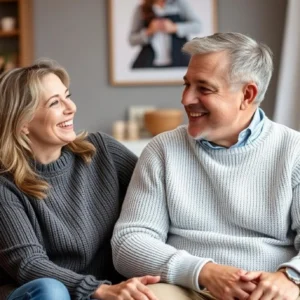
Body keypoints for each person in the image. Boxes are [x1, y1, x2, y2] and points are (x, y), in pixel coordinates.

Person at [112, 32, 300, 300]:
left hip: (270, 288)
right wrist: (205, 272)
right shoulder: (163, 149)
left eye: (204, 88)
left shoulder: (294, 151)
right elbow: (128, 243)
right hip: (187, 286)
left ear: (247, 95)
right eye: (187, 84)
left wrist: (290, 277)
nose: (186, 98)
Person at [0, 60, 160, 300]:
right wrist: (99, 290)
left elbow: (158, 199)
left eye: (67, 96)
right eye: (55, 103)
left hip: (107, 288)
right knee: (52, 291)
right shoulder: (5, 184)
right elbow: (28, 264)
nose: (71, 107)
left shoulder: (103, 151)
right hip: (43, 293)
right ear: (23, 123)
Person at [129, 0, 201, 69]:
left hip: (179, 61)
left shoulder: (179, 3)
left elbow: (198, 26)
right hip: (148, 63)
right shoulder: (142, 8)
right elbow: (132, 39)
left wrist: (174, 27)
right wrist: (149, 31)